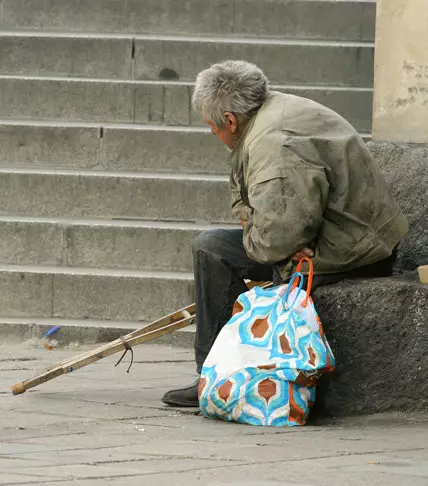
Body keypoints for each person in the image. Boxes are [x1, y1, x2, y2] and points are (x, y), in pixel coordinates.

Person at [162, 60, 408, 408]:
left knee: (225, 254)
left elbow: (277, 239)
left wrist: (276, 242)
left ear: (230, 120)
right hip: (344, 233)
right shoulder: (268, 111)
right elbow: (260, 214)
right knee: (212, 247)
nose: (212, 134)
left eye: (211, 126)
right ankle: (212, 374)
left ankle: (224, 377)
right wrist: (264, 231)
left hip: (356, 249)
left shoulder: (274, 145)